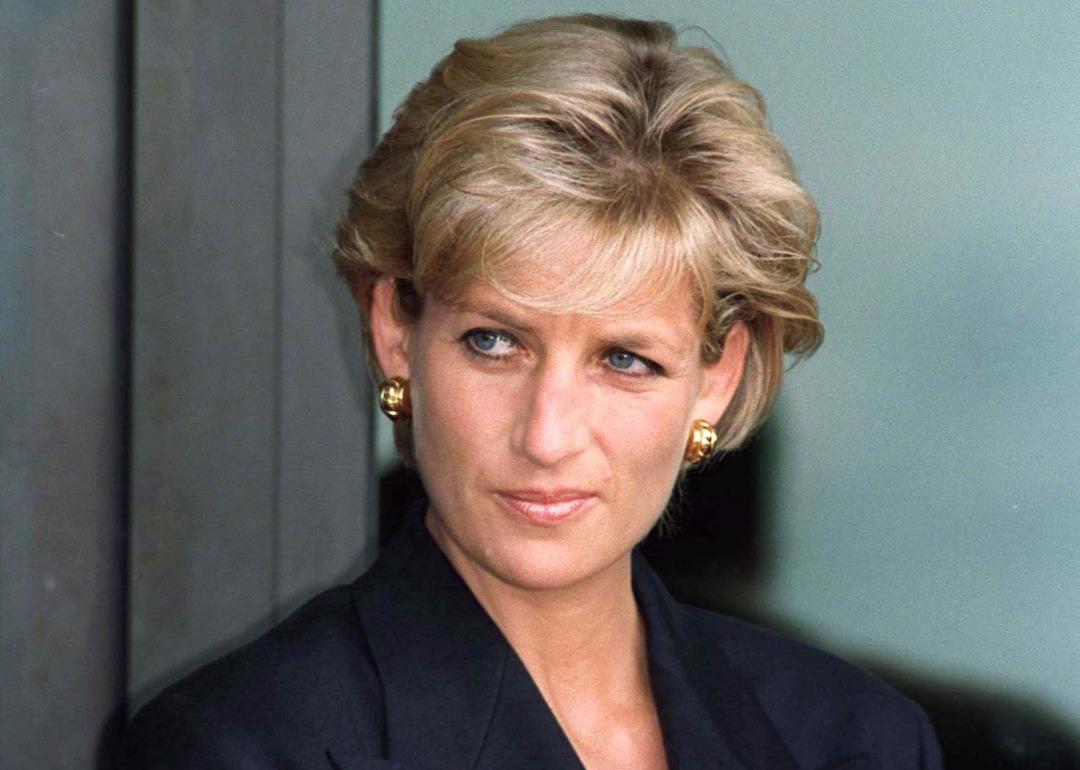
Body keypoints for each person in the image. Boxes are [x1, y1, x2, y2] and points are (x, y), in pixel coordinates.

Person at [121, 13, 942, 769]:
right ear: (396, 333)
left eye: (624, 360)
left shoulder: (855, 741)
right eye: (495, 342)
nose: (547, 437)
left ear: (716, 376)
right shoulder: (241, 748)